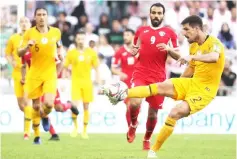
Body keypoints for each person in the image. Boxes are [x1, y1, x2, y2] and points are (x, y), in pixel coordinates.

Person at [105, 15, 225, 158]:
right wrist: (178, 84)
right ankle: (122, 94)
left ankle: (153, 151)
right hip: (192, 83)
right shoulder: (193, 45)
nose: (184, 34)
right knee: (162, 86)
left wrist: (192, 57)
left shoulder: (214, 43)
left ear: (196, 28)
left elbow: (214, 57)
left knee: (175, 112)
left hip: (206, 90)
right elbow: (191, 69)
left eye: (187, 30)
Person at [119, 3, 180, 150]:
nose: (156, 16)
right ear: (149, 14)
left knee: (153, 113)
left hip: (159, 77)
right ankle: (133, 125)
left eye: (159, 13)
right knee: (134, 102)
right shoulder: (141, 31)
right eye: (154, 13)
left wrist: (168, 49)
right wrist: (134, 52)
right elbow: (135, 49)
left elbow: (178, 56)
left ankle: (147, 138)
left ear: (163, 15)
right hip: (141, 73)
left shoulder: (169, 33)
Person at [18, 7, 63, 144]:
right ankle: (37, 136)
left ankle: (45, 116)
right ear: (35, 17)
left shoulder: (56, 32)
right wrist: (27, 47)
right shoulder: (29, 34)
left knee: (49, 104)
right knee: (36, 106)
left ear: (47, 16)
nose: (42, 17)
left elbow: (59, 45)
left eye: (44, 14)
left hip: (50, 73)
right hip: (34, 73)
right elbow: (19, 53)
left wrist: (60, 53)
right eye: (39, 15)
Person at [64, 31, 100, 139]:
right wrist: (65, 78)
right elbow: (66, 66)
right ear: (76, 40)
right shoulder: (71, 53)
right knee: (74, 106)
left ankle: (84, 130)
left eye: (82, 39)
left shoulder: (91, 52)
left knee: (86, 106)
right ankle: (75, 128)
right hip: (75, 83)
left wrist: (98, 78)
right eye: (79, 39)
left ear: (85, 40)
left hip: (87, 83)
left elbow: (96, 67)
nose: (80, 41)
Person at [5, 17, 32, 140]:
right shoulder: (13, 38)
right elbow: (8, 53)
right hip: (17, 74)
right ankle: (35, 115)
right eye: (21, 22)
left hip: (30, 74)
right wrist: (12, 63)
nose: (24, 24)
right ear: (19, 24)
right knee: (21, 105)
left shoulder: (33, 39)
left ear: (30, 24)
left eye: (26, 21)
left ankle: (26, 132)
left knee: (27, 101)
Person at [111, 28, 137, 127]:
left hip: (138, 82)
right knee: (129, 105)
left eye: (127, 35)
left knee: (136, 106)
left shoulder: (139, 50)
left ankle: (133, 123)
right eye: (124, 35)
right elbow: (113, 68)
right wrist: (120, 73)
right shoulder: (120, 51)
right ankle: (130, 127)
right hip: (126, 83)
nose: (125, 37)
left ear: (133, 36)